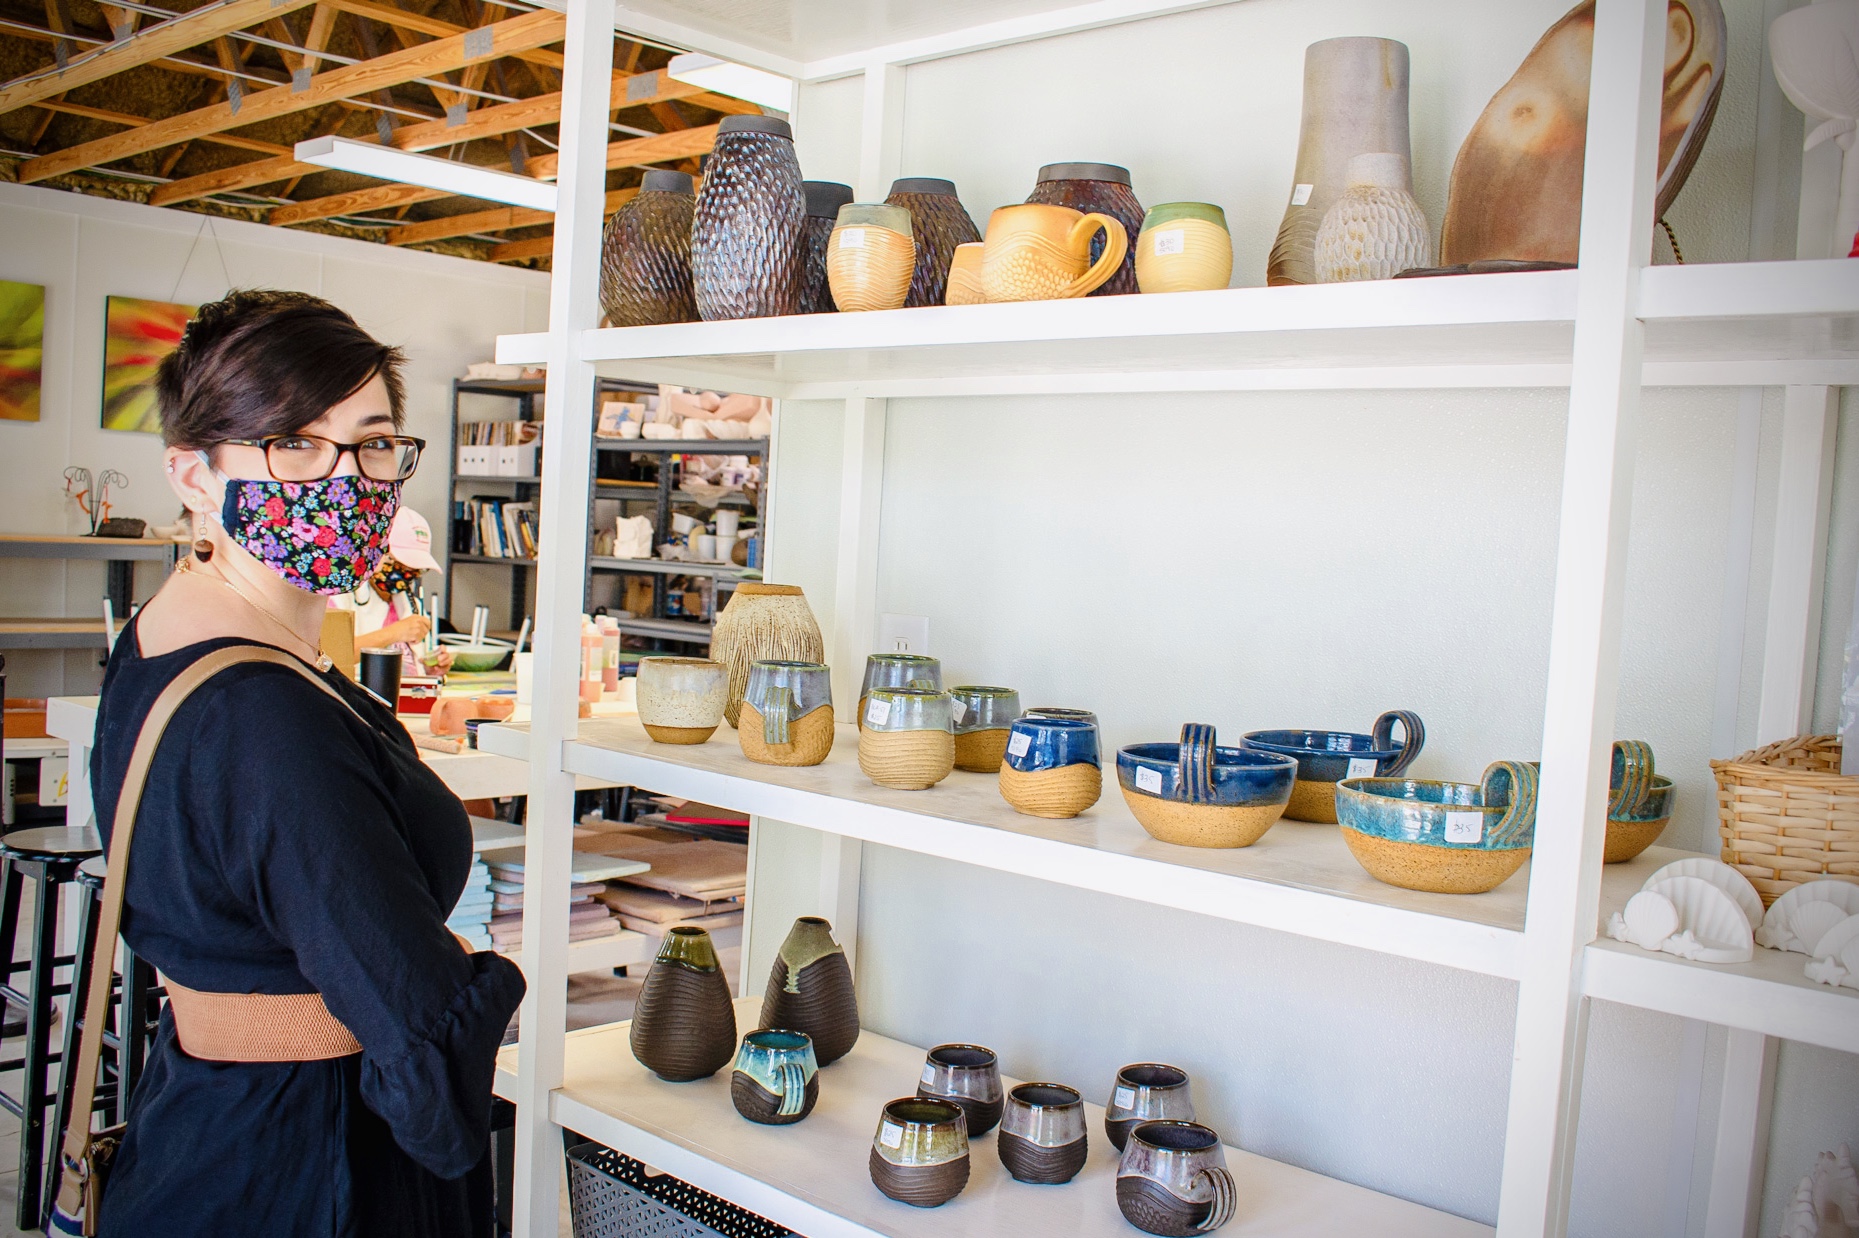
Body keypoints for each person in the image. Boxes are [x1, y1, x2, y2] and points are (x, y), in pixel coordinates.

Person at [86, 290, 525, 1236]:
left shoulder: (163, 635)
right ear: (194, 474)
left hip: (209, 1127)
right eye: (292, 443)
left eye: (371, 442)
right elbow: (420, 1044)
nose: (343, 478)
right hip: (313, 1169)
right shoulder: (262, 711)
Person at [334, 506, 455, 676]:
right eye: (400, 564)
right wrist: (395, 632)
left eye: (416, 569)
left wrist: (431, 668)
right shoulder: (340, 595)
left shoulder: (409, 603)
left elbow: (414, 667)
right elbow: (332, 654)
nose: (407, 573)